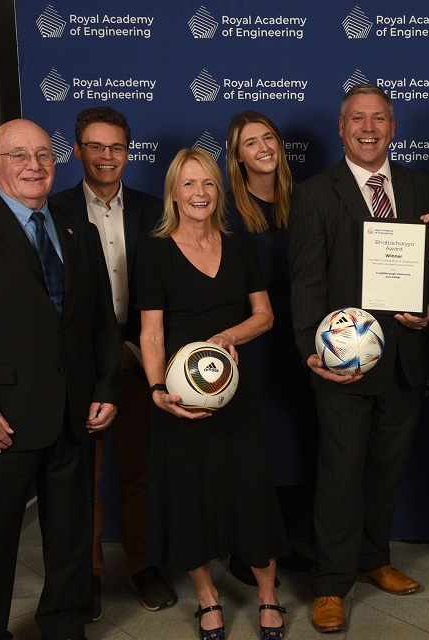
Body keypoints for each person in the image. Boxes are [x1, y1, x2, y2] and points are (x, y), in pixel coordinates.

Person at [0, 119, 123, 640]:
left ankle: (64, 626)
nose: (34, 165)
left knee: (71, 542)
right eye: (18, 155)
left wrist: (105, 389)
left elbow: (101, 324)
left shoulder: (77, 229)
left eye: (43, 154)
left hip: (73, 417)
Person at [288, 83, 429, 634]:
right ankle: (331, 584)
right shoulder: (315, 194)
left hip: (405, 360)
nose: (368, 128)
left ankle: (373, 558)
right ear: (341, 128)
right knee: (339, 475)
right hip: (344, 363)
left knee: (386, 470)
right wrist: (312, 349)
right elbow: (306, 281)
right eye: (357, 118)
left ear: (392, 127)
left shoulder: (420, 185)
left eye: (378, 118)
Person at [137, 148, 289, 640]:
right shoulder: (155, 252)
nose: (199, 193)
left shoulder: (239, 244)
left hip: (235, 393)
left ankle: (268, 595)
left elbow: (264, 315)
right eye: (188, 184)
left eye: (207, 183)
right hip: (180, 397)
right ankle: (208, 599)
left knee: (251, 491)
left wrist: (227, 337)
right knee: (189, 498)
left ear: (219, 192)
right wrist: (158, 390)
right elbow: (151, 333)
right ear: (173, 193)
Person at [49, 106, 175, 620]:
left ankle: (144, 566)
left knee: (142, 472)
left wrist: (134, 348)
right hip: (80, 367)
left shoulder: (155, 210)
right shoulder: (51, 210)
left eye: (116, 147)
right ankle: (91, 574)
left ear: (129, 151)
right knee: (85, 476)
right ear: (77, 150)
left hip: (141, 358)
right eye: (96, 146)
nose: (107, 156)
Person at [224, 110, 316, 583]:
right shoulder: (226, 211)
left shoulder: (305, 201)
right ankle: (248, 552)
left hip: (304, 337)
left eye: (268, 138)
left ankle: (280, 543)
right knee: (262, 451)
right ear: (237, 156)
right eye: (250, 142)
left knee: (300, 445)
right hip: (256, 343)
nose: (263, 148)